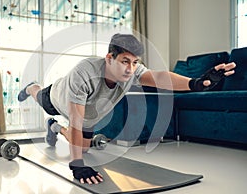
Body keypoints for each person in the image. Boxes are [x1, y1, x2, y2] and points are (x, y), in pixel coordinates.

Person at [18, 33, 236, 185]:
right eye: (124, 61)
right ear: (109, 58)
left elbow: (160, 77)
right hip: (57, 99)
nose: (130, 68)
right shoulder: (83, 73)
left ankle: (54, 127)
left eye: (134, 62)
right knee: (41, 98)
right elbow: (75, 120)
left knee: (83, 148)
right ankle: (31, 87)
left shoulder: (132, 70)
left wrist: (195, 83)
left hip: (88, 115)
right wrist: (76, 164)